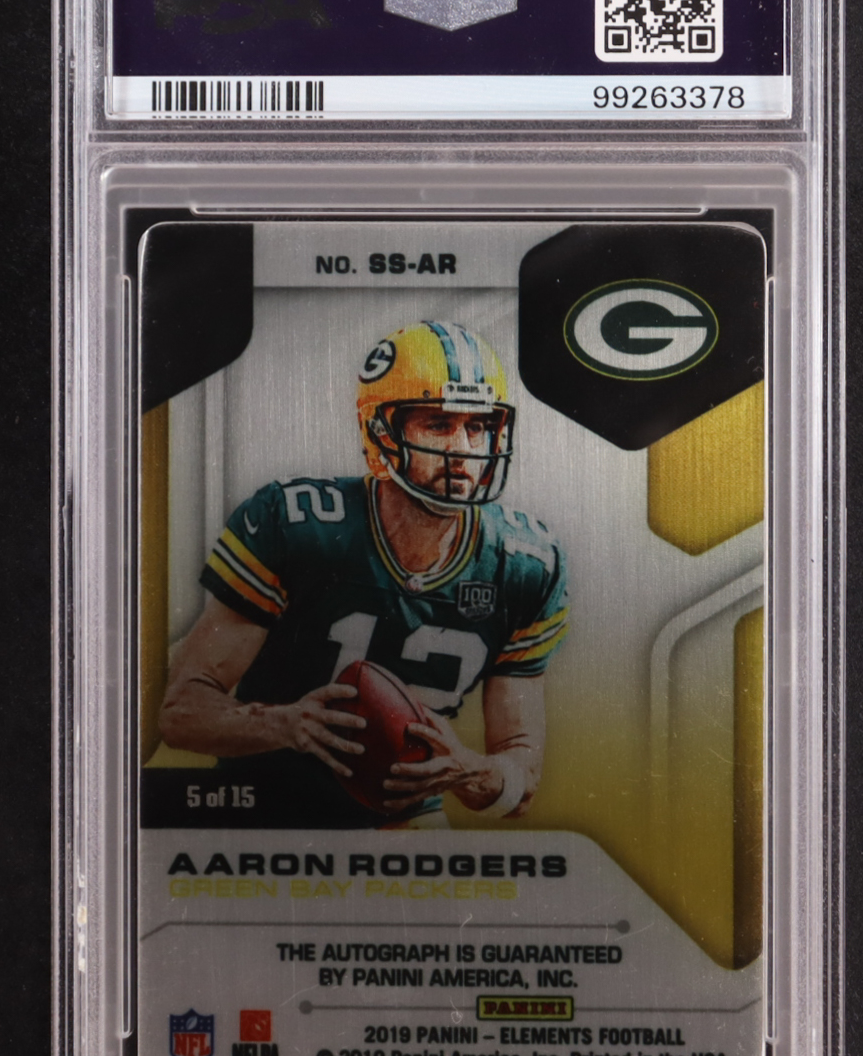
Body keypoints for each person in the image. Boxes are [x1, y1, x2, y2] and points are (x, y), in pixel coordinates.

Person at [159, 321, 568, 828]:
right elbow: (182, 713)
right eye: (439, 424)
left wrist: (469, 770)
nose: (464, 448)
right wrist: (286, 724)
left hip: (401, 819)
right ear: (381, 431)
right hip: (267, 810)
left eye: (479, 426)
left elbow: (521, 775)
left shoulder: (525, 564)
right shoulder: (298, 526)